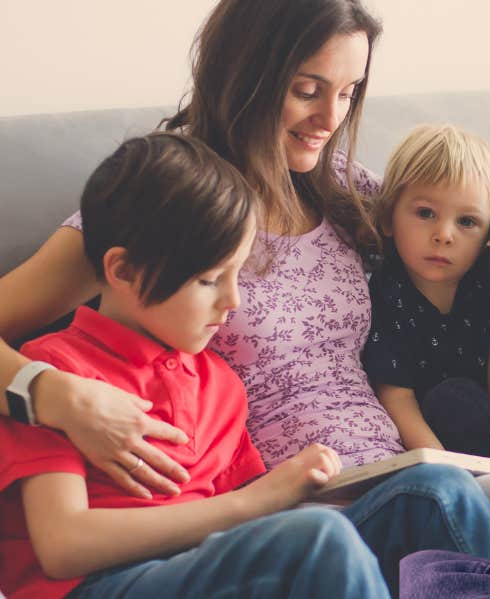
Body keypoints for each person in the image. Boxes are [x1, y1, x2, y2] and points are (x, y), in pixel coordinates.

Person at [0, 1, 490, 597]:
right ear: (249, 74)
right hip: (314, 491)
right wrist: (53, 393)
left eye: (350, 93)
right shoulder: (167, 209)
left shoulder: (352, 194)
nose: (331, 116)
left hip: (406, 462)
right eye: (307, 89)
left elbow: (487, 268)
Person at [0, 132, 394, 599]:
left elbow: (251, 520)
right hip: (96, 585)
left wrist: (301, 490)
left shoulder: (220, 385)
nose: (233, 301)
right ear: (122, 271)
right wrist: (254, 503)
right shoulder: (55, 369)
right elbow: (62, 545)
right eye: (210, 279)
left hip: (200, 568)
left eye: (238, 273)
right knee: (319, 541)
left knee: (431, 490)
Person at [362, 124, 490, 460]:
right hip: (436, 427)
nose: (444, 235)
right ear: (387, 219)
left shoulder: (487, 279)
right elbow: (396, 394)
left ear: (488, 235)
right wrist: (439, 461)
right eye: (426, 213)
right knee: (453, 397)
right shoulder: (384, 289)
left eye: (467, 222)